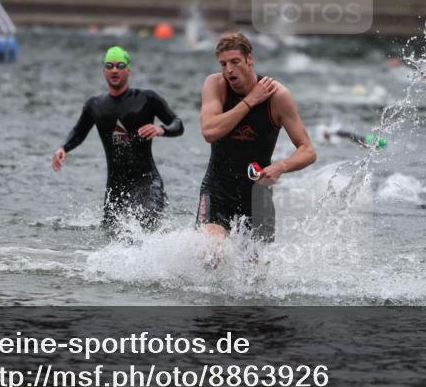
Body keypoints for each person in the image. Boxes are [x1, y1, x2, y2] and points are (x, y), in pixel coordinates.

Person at [196, 33, 316, 242]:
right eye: (223, 64)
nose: (228, 70)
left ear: (249, 59)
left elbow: (308, 151)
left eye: (235, 62)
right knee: (210, 250)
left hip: (257, 195)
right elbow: (209, 131)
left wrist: (281, 166)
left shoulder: (278, 96)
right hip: (217, 189)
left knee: (254, 263)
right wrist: (250, 101)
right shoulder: (216, 85)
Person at [52, 46, 183, 233]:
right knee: (111, 236)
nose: (114, 70)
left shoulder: (147, 98)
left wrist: (161, 129)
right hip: (115, 188)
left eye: (120, 65)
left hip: (147, 183)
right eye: (109, 66)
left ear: (128, 70)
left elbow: (178, 124)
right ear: (104, 71)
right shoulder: (95, 105)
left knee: (148, 227)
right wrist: (63, 148)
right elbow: (78, 132)